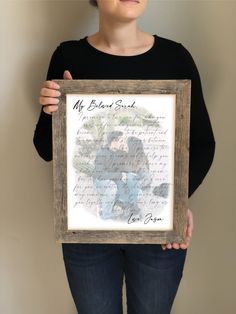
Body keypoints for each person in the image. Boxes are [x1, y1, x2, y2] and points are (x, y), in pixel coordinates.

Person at [33, 0, 215, 313]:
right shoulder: (67, 57)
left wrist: (177, 202)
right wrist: (53, 112)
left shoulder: (175, 58)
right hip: (86, 232)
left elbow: (202, 145)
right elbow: (45, 149)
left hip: (158, 233)